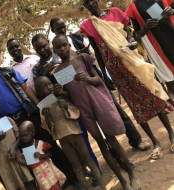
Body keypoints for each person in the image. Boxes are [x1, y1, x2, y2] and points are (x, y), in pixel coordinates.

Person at [0, 49, 83, 190]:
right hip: (10, 127)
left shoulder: (8, 71)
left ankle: (73, 180)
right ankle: (49, 185)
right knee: (31, 160)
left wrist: (39, 106)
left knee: (50, 147)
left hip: (29, 115)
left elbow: (25, 88)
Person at [81, 0, 174, 160]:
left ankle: (171, 134)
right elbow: (97, 52)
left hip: (132, 61)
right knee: (135, 105)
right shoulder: (88, 25)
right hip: (116, 71)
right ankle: (155, 141)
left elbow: (129, 33)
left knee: (152, 96)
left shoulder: (116, 12)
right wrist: (105, 76)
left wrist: (131, 41)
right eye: (85, 2)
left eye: (91, 0)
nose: (89, 4)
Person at [52, 35, 142, 190]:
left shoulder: (84, 58)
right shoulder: (58, 72)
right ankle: (122, 181)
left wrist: (86, 78)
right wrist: (60, 91)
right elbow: (70, 94)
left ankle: (131, 175)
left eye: (64, 45)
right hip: (84, 111)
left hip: (98, 103)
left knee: (112, 141)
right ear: (55, 51)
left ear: (69, 45)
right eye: (58, 47)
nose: (62, 49)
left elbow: (98, 80)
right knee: (102, 145)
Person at [49, 16, 150, 151]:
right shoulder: (54, 56)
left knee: (116, 109)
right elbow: (61, 77)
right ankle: (115, 153)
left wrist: (83, 55)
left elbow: (91, 54)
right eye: (58, 28)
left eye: (63, 26)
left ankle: (136, 140)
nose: (62, 30)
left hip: (96, 83)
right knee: (97, 125)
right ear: (53, 30)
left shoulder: (77, 39)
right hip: (81, 95)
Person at [34, 76, 106, 190]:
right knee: (77, 168)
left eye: (49, 84)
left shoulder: (63, 98)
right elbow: (48, 128)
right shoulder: (43, 108)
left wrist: (67, 106)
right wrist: (47, 117)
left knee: (90, 161)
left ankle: (103, 187)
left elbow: (76, 113)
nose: (49, 87)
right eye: (45, 87)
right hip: (64, 141)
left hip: (76, 135)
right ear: (39, 93)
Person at [0, 95, 36, 190]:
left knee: (30, 184)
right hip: (5, 167)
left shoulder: (7, 120)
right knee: (14, 186)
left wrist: (14, 147)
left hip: (18, 159)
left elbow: (19, 136)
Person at [126, 0, 174, 94]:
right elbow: (137, 34)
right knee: (168, 76)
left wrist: (172, 11)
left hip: (172, 36)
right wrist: (145, 27)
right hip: (157, 46)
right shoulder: (133, 7)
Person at [17, 121, 66, 190]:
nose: (23, 138)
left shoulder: (40, 144)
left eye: (25, 135)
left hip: (50, 173)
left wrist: (41, 156)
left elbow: (50, 154)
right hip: (40, 177)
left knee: (55, 187)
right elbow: (27, 162)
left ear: (33, 133)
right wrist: (18, 159)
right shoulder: (25, 151)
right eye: (21, 137)